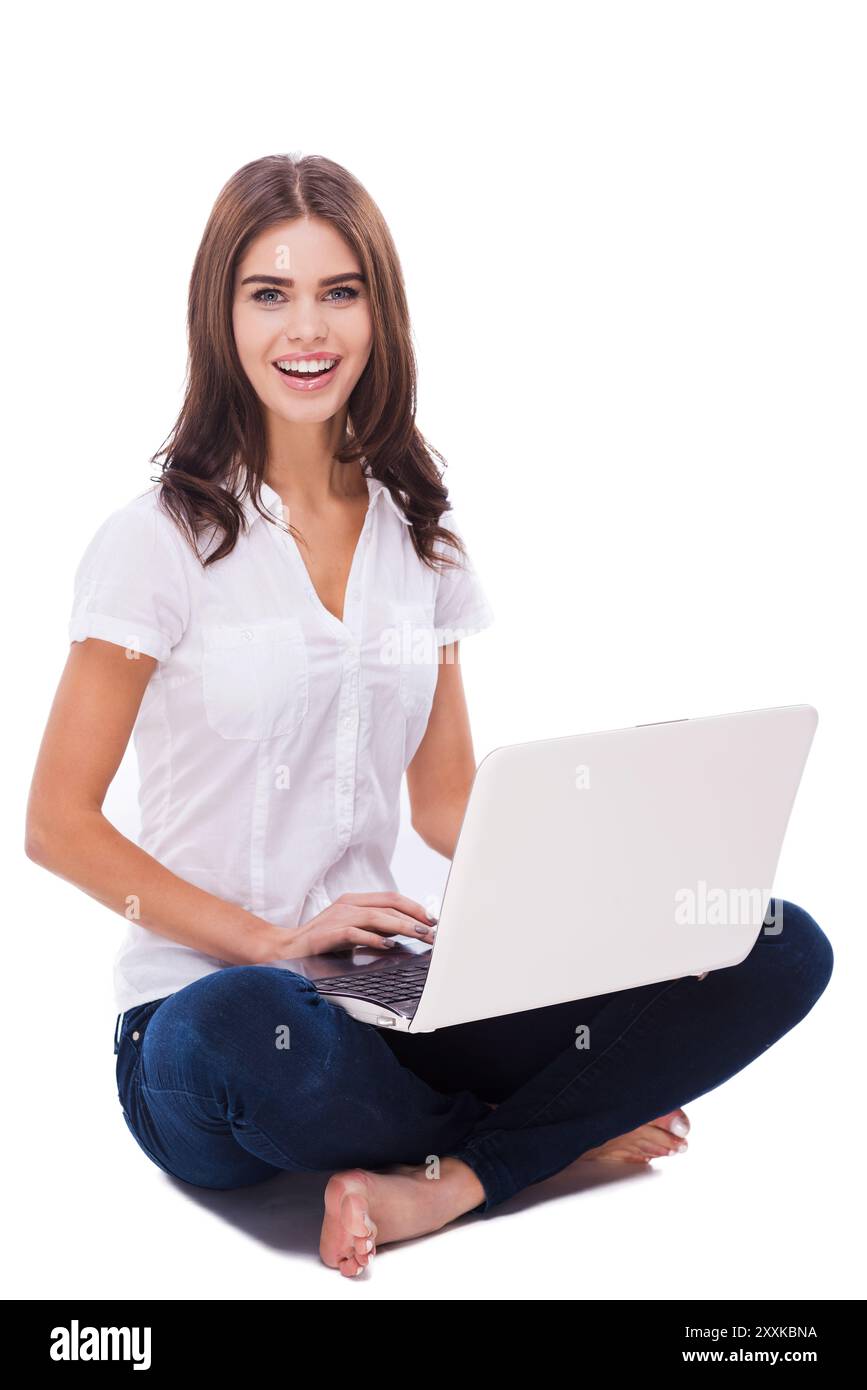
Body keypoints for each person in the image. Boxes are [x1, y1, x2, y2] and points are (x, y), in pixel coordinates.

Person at [25, 154, 834, 1278]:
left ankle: (455, 1177)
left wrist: (631, 912)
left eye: (338, 291)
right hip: (212, 1016)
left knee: (776, 941)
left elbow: (450, 802)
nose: (306, 327)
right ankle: (549, 1142)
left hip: (391, 995)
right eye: (270, 292)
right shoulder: (157, 540)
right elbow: (59, 825)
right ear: (221, 313)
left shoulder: (420, 534)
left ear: (377, 311)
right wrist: (269, 938)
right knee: (241, 1029)